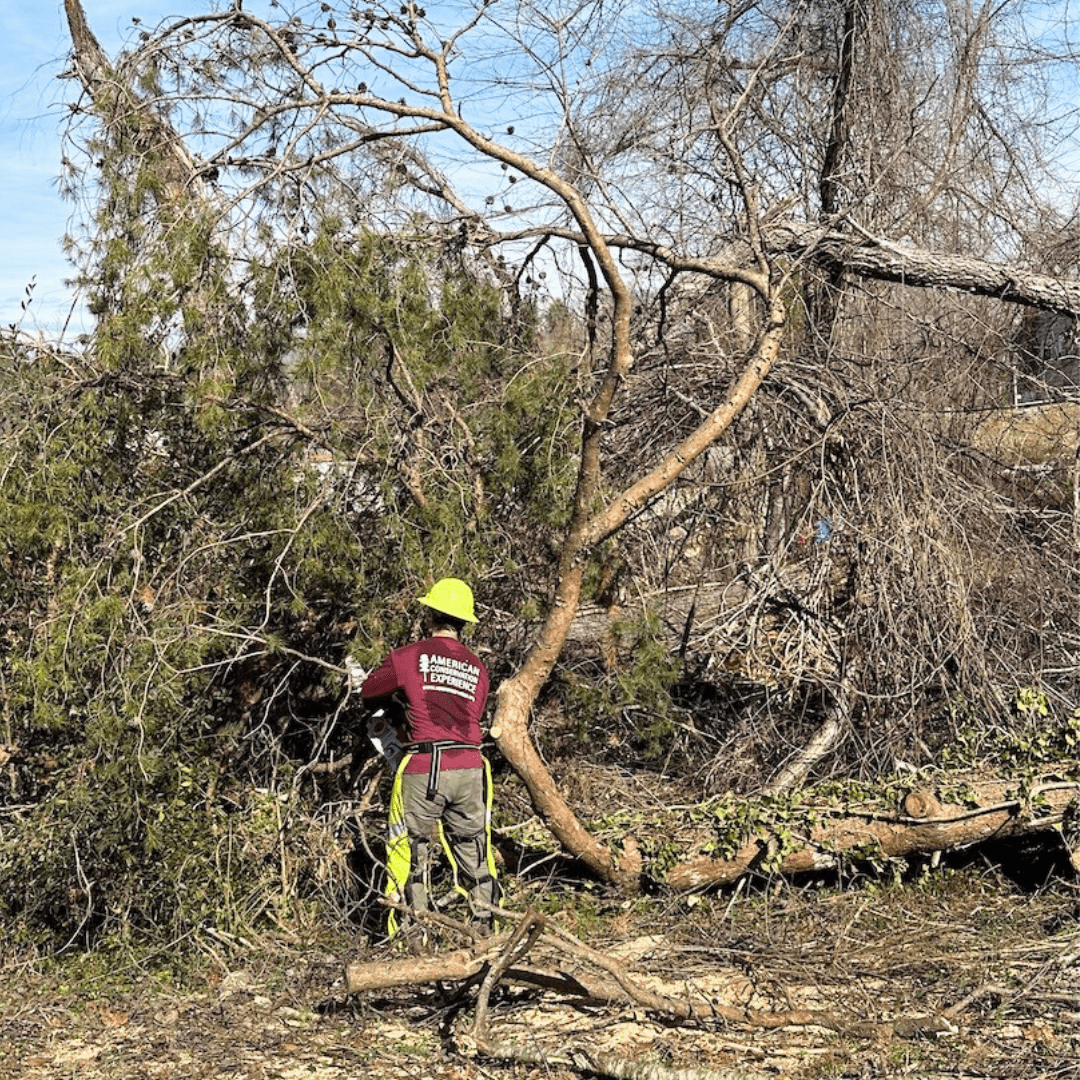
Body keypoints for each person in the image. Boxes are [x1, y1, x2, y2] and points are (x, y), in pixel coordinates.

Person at [359, 578, 499, 943]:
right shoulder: (478, 668)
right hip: (472, 767)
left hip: (425, 766)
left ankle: (410, 941)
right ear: (464, 623)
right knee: (475, 852)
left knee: (407, 853)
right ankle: (486, 937)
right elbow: (470, 713)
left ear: (428, 615)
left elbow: (369, 690)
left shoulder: (409, 657)